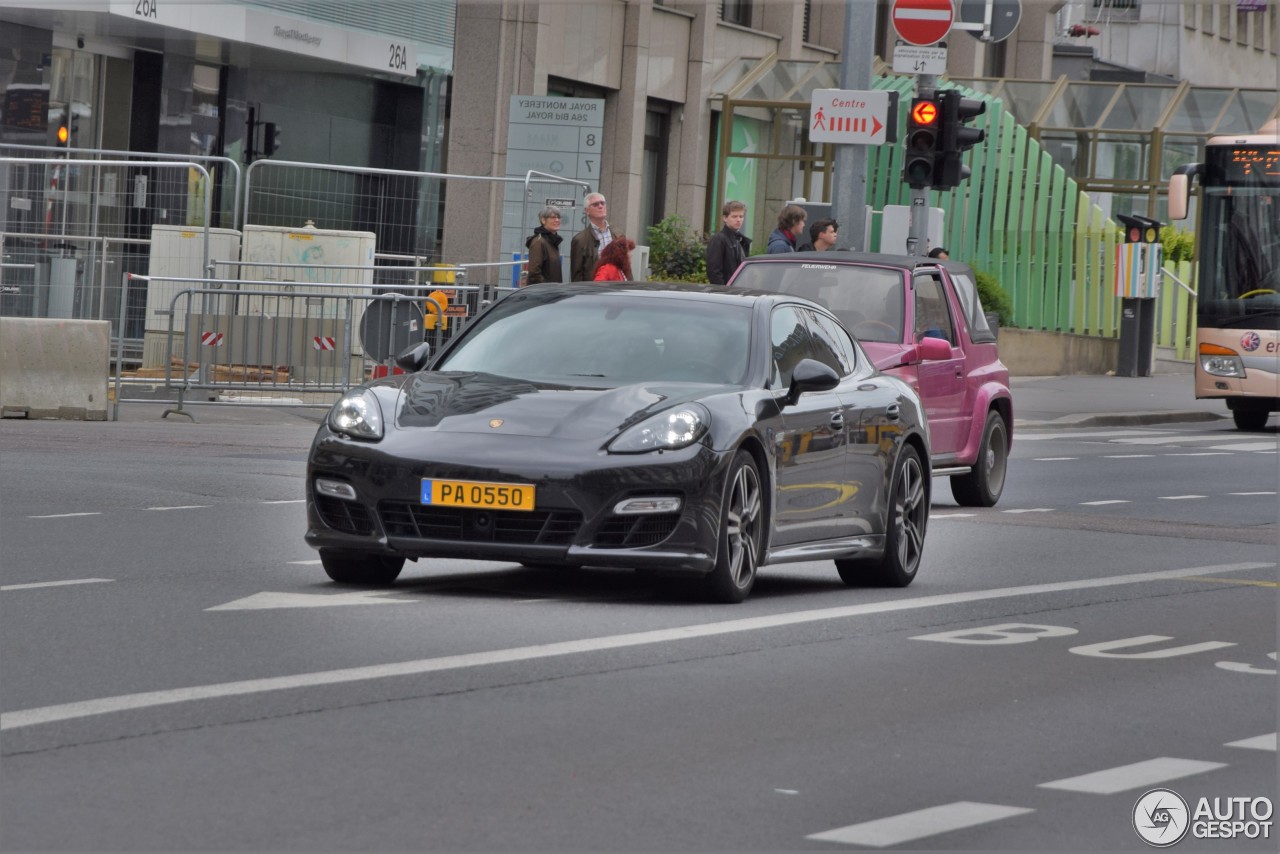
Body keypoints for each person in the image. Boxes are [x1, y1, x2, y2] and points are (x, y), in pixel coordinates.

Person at [570, 192, 614, 281]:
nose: (600, 206)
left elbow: (626, 267)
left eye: (602, 203)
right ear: (587, 211)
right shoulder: (579, 240)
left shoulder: (618, 234)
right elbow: (577, 275)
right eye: (595, 204)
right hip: (594, 290)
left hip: (616, 289)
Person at [705, 200, 751, 285]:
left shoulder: (740, 240)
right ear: (725, 218)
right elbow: (714, 272)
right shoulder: (719, 239)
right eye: (734, 216)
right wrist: (724, 291)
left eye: (741, 216)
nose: (738, 220)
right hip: (726, 293)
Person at [525, 206, 564, 284]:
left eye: (558, 217)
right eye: (553, 217)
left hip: (552, 292)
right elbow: (534, 273)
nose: (557, 220)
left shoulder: (552, 242)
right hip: (543, 293)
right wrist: (548, 289)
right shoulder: (539, 242)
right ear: (543, 220)